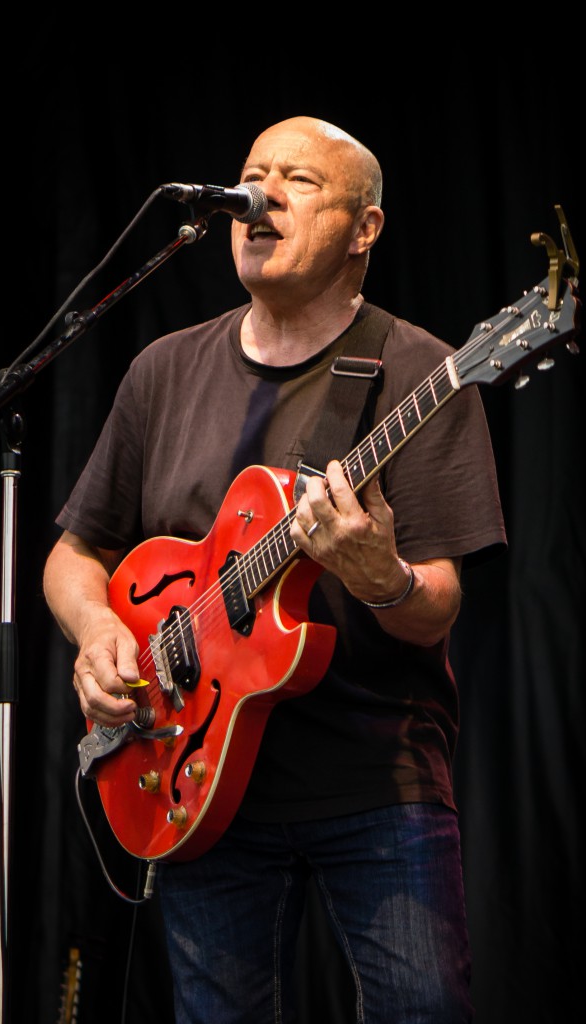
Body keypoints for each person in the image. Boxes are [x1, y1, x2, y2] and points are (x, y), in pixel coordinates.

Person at [43, 115, 507, 1024]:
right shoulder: (163, 370)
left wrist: (381, 578)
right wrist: (101, 630)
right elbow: (76, 552)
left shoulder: (420, 372)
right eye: (251, 177)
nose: (259, 198)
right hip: (192, 775)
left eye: (296, 180)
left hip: (376, 787)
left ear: (363, 229)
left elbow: (438, 606)